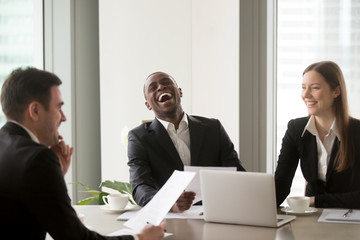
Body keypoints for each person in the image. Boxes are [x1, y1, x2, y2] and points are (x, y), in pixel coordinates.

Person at [0, 67, 166, 240]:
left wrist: (56, 175)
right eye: (58, 108)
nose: (63, 118)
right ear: (35, 111)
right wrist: (139, 238)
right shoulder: (37, 159)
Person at [128, 72, 245, 212]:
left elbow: (237, 173)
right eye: (153, 87)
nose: (160, 87)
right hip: (171, 220)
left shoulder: (213, 128)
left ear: (179, 92)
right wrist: (168, 203)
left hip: (216, 213)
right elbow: (140, 186)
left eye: (166, 82)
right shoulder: (139, 137)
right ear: (148, 105)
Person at [275, 61, 360, 209]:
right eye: (303, 88)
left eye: (314, 88)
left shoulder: (356, 132)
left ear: (336, 91)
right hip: (312, 219)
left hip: (350, 220)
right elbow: (280, 186)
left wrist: (315, 201)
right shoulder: (296, 129)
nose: (305, 95)